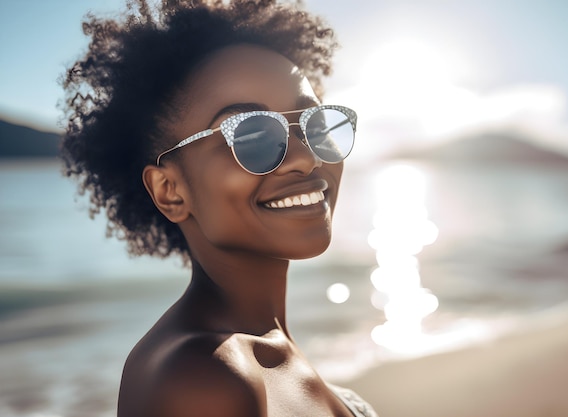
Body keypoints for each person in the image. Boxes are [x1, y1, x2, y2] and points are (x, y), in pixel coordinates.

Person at [60, 0, 377, 416]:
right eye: (252, 136)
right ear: (170, 190)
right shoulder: (200, 379)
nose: (306, 158)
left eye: (314, 124)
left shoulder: (258, 352)